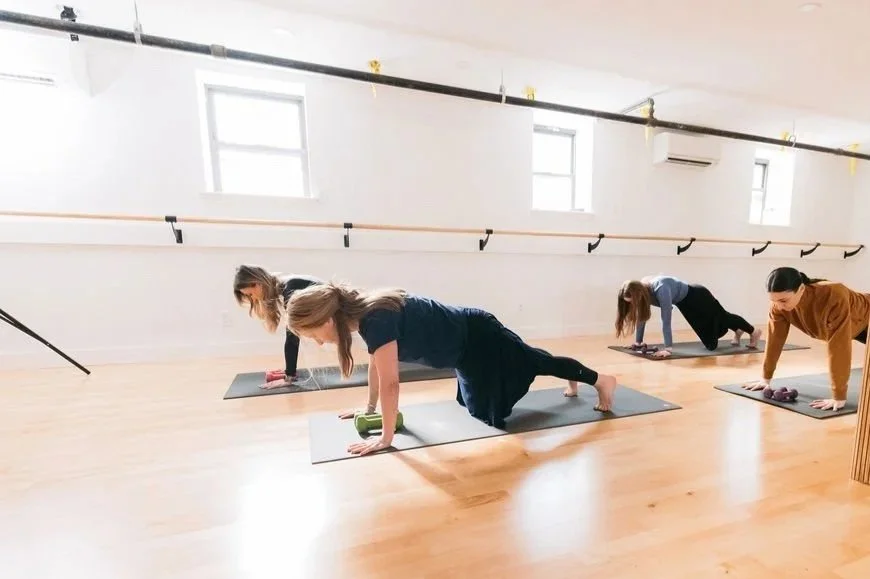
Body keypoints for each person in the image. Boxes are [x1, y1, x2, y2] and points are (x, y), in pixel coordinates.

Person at [285, 282, 618, 456]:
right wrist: (369, 410)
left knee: (500, 405)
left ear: (327, 319)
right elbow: (376, 365)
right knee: (480, 403)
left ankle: (601, 380)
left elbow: (391, 384)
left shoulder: (375, 319)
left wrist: (386, 438)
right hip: (463, 352)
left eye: (313, 334)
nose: (316, 342)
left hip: (478, 337)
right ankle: (563, 373)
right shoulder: (364, 317)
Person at [741, 267, 870, 411]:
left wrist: (838, 396)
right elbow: (774, 341)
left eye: (783, 300)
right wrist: (765, 378)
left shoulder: (834, 295)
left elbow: (839, 348)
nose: (778, 306)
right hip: (854, 326)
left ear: (801, 289)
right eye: (774, 300)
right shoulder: (778, 306)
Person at [616, 275, 761, 358]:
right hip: (685, 304)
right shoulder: (642, 291)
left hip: (697, 296)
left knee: (722, 316)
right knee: (711, 344)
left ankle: (753, 331)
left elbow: (666, 320)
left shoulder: (661, 289)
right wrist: (639, 342)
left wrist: (668, 348)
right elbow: (642, 317)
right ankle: (737, 330)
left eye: (633, 301)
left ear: (639, 293)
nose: (633, 304)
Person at [232, 265, 322, 388]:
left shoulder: (290, 288)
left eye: (250, 294)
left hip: (339, 309)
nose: (252, 299)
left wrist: (289, 377)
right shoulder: (284, 286)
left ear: (258, 284)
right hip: (326, 310)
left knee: (292, 330)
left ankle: (290, 372)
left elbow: (292, 336)